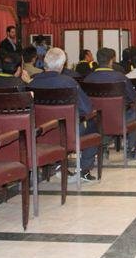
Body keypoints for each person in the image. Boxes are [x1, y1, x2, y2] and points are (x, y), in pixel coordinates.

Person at [29, 47, 100, 181]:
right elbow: (87, 108)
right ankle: (84, 169)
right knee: (93, 125)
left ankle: (57, 164)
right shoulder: (69, 82)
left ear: (45, 63)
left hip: (40, 133)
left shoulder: (32, 83)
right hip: (68, 133)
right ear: (62, 65)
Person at [84, 48, 136, 159]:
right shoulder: (121, 77)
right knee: (134, 113)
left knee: (103, 118)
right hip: (118, 120)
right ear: (111, 61)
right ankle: (131, 150)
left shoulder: (87, 79)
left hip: (95, 121)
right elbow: (133, 98)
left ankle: (104, 147)